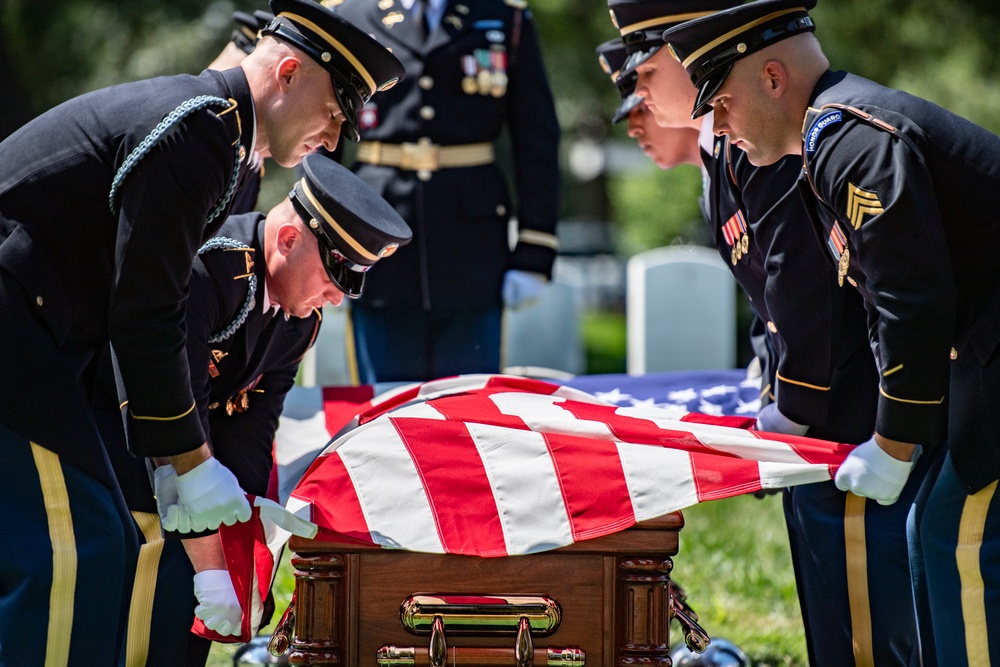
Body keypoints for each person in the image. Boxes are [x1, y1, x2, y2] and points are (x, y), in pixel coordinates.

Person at [0, 0, 403, 662]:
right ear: (291, 72)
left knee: (106, 542)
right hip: (17, 324)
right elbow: (148, 310)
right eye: (334, 113)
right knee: (77, 549)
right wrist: (191, 464)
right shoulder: (203, 132)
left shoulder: (217, 134)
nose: (332, 140)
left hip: (38, 331)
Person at [664, 1, 1000, 663]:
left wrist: (893, 439)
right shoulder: (830, 143)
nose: (719, 126)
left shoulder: (852, 138)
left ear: (771, 78)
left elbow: (911, 296)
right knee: (932, 532)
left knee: (953, 539)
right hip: (983, 356)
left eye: (722, 102)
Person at [608, 1, 925, 664]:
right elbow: (769, 299)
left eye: (646, 71)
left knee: (867, 619)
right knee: (833, 611)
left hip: (849, 411)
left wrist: (795, 410)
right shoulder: (729, 146)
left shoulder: (762, 139)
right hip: (823, 414)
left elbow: (806, 288)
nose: (641, 92)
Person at [97, 153, 410, 667]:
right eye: (334, 273)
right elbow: (170, 410)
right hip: (113, 443)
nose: (336, 298)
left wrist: (238, 544)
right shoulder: (209, 269)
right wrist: (210, 565)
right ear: (287, 240)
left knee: (180, 628)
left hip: (178, 468)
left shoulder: (297, 320)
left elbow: (251, 430)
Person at [328, 0, 562, 383]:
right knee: (383, 412)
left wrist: (535, 250)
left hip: (471, 249)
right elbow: (323, 140)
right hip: (377, 239)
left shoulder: (506, 17)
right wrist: (325, 246)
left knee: (467, 413)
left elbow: (536, 138)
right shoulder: (350, 15)